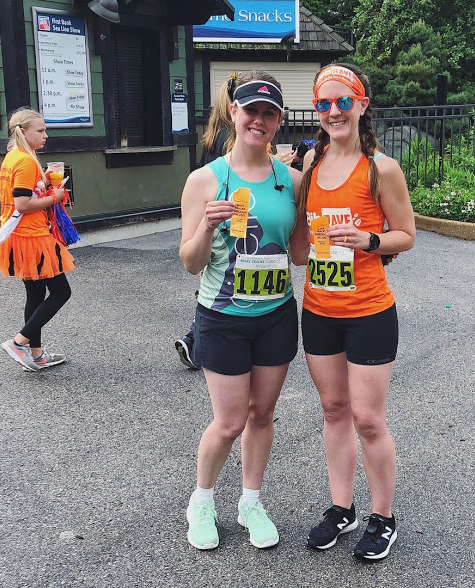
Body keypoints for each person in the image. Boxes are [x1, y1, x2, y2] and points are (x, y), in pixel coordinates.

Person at [179, 71, 307, 550]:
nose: (259, 120)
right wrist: (207, 228)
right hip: (222, 316)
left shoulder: (291, 180)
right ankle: (202, 500)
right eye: (251, 110)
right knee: (230, 421)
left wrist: (352, 239)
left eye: (269, 113)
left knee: (262, 414)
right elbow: (191, 263)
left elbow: (300, 254)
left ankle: (250, 502)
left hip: (276, 314)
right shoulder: (205, 180)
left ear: (279, 121)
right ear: (233, 112)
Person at [297, 63, 416, 560]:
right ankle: (341, 508)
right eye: (323, 103)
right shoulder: (312, 160)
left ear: (362, 105)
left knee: (367, 418)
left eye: (343, 101)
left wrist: (368, 240)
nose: (333, 112)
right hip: (319, 308)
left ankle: (383, 517)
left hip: (368, 310)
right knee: (333, 410)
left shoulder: (380, 168)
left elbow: (406, 235)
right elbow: (300, 244)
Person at [0, 107, 73, 371]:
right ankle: (19, 343)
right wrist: (55, 197)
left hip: (17, 236)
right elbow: (23, 204)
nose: (45, 135)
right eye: (40, 130)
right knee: (61, 292)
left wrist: (44, 182)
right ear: (24, 132)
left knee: (36, 293)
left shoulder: (12, 157)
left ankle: (36, 355)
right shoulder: (26, 161)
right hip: (33, 236)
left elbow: (22, 193)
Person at [175, 80, 236, 369]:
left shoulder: (212, 135)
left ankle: (193, 340)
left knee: (209, 285)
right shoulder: (232, 138)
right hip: (229, 219)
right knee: (217, 287)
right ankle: (193, 341)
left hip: (207, 216)